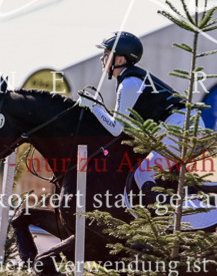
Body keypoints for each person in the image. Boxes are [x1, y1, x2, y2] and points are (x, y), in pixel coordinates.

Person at [77, 31, 192, 197]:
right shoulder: (131, 79)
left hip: (181, 128)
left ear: (121, 60)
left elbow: (116, 128)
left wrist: (94, 106)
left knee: (142, 174)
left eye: (107, 54)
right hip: (179, 126)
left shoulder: (130, 84)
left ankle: (161, 218)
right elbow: (126, 127)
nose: (102, 59)